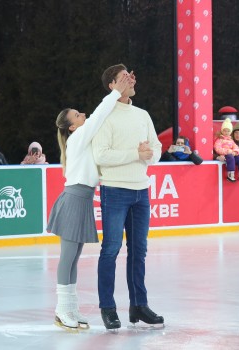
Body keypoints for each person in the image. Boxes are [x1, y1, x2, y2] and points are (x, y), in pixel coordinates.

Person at [47, 73, 130, 331]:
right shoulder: (78, 138)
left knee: (74, 258)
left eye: (81, 113)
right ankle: (62, 310)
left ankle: (70, 309)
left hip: (81, 200)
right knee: (68, 257)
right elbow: (98, 115)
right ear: (72, 126)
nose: (83, 115)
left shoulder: (81, 140)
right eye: (78, 115)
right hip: (74, 200)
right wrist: (116, 92)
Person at [91, 63, 164, 330]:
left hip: (141, 190)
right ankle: (108, 307)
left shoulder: (142, 114)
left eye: (131, 76)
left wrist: (149, 155)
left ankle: (138, 305)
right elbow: (101, 156)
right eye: (124, 77)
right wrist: (136, 154)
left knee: (139, 251)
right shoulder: (104, 117)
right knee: (110, 249)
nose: (131, 79)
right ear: (112, 85)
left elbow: (155, 147)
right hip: (115, 189)